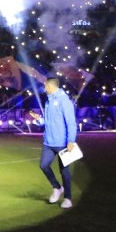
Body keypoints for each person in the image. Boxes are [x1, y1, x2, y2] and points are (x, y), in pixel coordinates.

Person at [39, 76, 77, 209]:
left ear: (50, 86)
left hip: (62, 142)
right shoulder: (48, 101)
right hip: (48, 142)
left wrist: (71, 140)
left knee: (64, 171)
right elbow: (48, 121)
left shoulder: (64, 101)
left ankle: (68, 198)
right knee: (43, 165)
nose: (44, 88)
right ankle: (57, 187)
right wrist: (40, 120)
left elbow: (71, 122)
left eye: (45, 86)